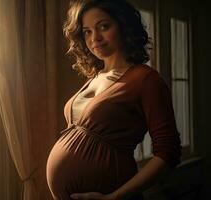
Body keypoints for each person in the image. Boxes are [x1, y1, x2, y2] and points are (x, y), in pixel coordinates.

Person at [46, 0, 181, 199]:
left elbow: (168, 153)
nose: (95, 38)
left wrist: (114, 197)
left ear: (123, 26)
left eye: (103, 26)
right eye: (87, 31)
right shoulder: (95, 77)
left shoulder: (146, 79)